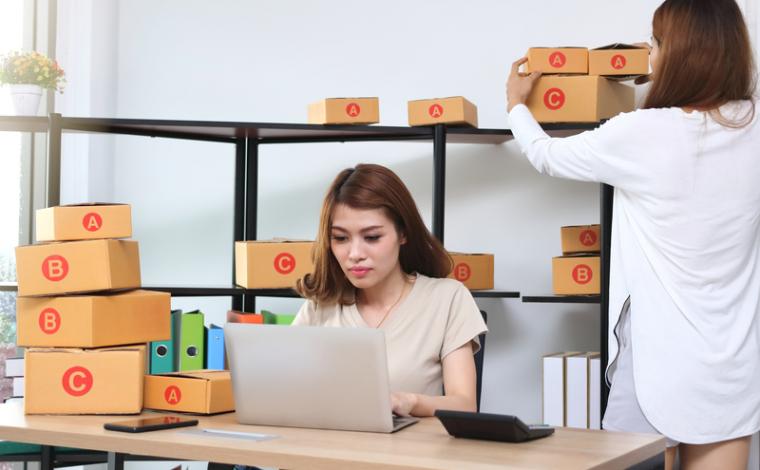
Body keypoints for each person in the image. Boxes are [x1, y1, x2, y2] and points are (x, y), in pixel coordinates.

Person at [506, 0, 758, 468]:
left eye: (657, 44)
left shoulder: (642, 132)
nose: (649, 53)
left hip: (654, 366)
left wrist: (517, 104)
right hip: (732, 371)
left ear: (679, 54)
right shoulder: (754, 126)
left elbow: (546, 155)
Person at [293, 163, 488, 417]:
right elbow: (286, 389)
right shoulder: (319, 307)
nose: (354, 254)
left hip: (409, 455)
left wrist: (410, 402)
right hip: (328, 449)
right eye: (340, 238)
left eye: (372, 237)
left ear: (403, 233)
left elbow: (464, 404)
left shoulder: (448, 298)